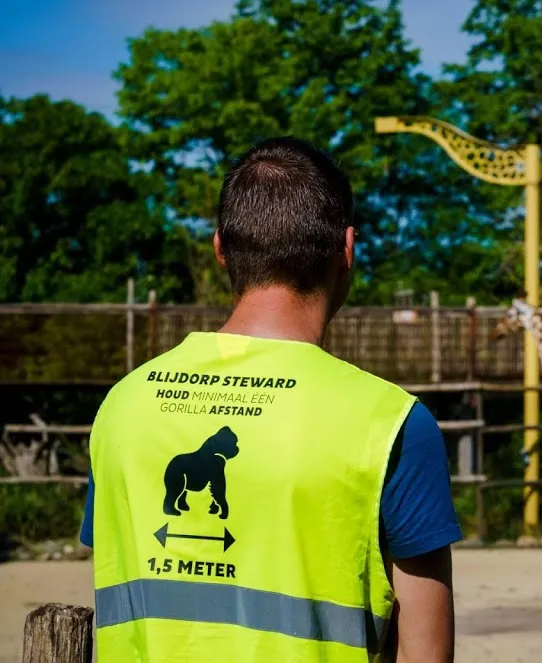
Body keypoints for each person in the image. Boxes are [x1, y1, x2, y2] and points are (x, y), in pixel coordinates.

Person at [79, 137, 460, 663]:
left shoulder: (123, 406)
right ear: (346, 248)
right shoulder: (393, 424)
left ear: (220, 248)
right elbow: (426, 653)